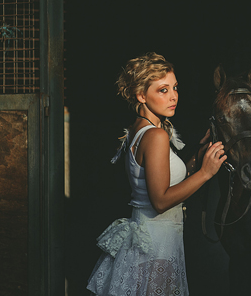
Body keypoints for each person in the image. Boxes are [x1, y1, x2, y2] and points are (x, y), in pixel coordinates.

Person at [87, 52, 226, 295]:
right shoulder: (156, 136)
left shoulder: (140, 129)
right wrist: (205, 173)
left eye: (175, 87)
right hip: (156, 245)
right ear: (141, 95)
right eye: (163, 90)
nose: (173, 96)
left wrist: (199, 154)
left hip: (152, 240)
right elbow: (160, 200)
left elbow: (166, 179)